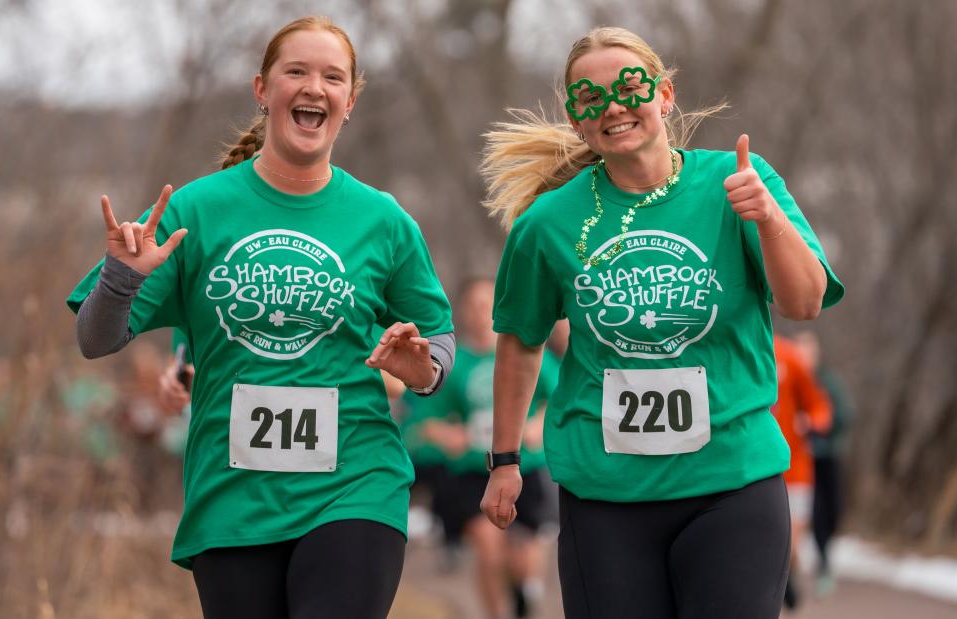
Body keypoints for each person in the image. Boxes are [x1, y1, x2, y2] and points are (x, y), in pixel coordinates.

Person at [67, 16, 455, 619]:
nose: (313, 87)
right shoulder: (196, 209)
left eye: (332, 77)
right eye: (295, 71)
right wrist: (121, 276)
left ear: (349, 102)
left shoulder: (382, 219)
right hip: (233, 497)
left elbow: (438, 344)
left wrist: (422, 368)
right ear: (262, 89)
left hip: (355, 485)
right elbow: (96, 339)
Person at [477, 26, 844, 619]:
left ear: (665, 94)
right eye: (590, 99)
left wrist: (768, 218)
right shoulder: (547, 223)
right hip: (606, 493)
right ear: (577, 121)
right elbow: (520, 341)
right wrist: (506, 462)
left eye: (629, 87)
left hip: (733, 481)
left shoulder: (738, 182)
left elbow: (804, 303)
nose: (613, 107)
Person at [406, 278, 557, 619]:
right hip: (474, 472)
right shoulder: (454, 364)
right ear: (462, 312)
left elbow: (560, 395)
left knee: (523, 559)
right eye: (472, 306)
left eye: (485, 305)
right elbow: (426, 418)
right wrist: (446, 434)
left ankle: (524, 591)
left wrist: (537, 425)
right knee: (489, 550)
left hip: (526, 467)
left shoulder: (526, 351)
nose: (479, 314)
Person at [772, 333, 832, 609]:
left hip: (795, 467)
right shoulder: (728, 346)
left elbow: (819, 406)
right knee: (767, 540)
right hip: (759, 467)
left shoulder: (788, 356)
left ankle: (785, 579)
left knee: (791, 544)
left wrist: (809, 421)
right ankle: (775, 586)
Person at [793, 329, 852, 597]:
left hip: (827, 455)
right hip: (798, 462)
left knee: (832, 511)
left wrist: (817, 427)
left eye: (808, 349)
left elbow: (842, 415)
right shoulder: (789, 376)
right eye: (799, 350)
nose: (804, 355)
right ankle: (793, 574)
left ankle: (823, 561)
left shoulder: (828, 381)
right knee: (809, 515)